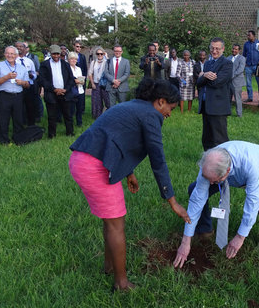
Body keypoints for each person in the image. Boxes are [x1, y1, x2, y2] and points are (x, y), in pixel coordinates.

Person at [69, 77, 190, 292]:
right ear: (160, 101)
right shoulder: (151, 115)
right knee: (117, 225)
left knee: (110, 221)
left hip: (84, 159)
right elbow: (158, 160)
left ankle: (109, 266)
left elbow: (119, 137)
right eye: (170, 108)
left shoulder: (133, 106)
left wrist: (128, 172)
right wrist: (172, 201)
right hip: (95, 166)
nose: (170, 113)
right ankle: (121, 283)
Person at [173, 141, 259, 267]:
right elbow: (197, 200)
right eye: (207, 179)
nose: (210, 183)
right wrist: (186, 240)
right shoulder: (209, 165)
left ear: (227, 172)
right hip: (223, 172)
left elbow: (253, 203)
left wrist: (240, 237)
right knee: (194, 189)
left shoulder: (252, 166)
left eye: (213, 181)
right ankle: (205, 229)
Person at [197, 38, 233, 151]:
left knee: (219, 139)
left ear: (223, 49)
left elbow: (217, 82)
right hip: (206, 106)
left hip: (218, 108)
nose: (214, 51)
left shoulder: (227, 64)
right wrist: (205, 75)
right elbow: (198, 83)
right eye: (212, 48)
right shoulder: (208, 63)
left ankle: (222, 164)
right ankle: (208, 162)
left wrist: (203, 75)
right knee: (207, 139)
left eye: (217, 48)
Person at [0, 46, 30, 144]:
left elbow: (28, 84)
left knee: (18, 119)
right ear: (4, 54)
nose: (10, 55)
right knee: (4, 119)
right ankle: (4, 140)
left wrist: (23, 83)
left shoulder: (21, 68)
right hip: (4, 95)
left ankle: (18, 139)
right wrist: (6, 77)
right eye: (8, 53)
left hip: (18, 95)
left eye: (12, 54)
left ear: (16, 55)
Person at [39, 45, 76, 138]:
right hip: (51, 93)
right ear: (50, 54)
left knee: (68, 115)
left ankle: (70, 132)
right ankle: (52, 135)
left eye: (57, 54)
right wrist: (54, 89)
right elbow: (43, 80)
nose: (56, 56)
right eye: (54, 54)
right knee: (52, 116)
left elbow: (71, 79)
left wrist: (65, 89)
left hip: (65, 93)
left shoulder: (65, 64)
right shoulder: (44, 65)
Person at [15, 42, 38, 126]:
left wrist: (32, 75)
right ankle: (20, 124)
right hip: (17, 86)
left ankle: (31, 124)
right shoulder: (13, 61)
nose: (19, 48)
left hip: (29, 86)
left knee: (30, 106)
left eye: (21, 47)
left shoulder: (29, 61)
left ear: (25, 49)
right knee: (19, 107)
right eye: (17, 47)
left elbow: (34, 73)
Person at [88, 47, 111, 119]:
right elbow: (90, 73)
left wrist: (106, 57)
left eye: (101, 53)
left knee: (107, 100)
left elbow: (110, 68)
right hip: (96, 83)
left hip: (104, 84)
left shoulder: (106, 62)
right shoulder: (93, 62)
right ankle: (97, 116)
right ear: (96, 54)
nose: (100, 55)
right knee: (96, 101)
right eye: (98, 54)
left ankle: (109, 115)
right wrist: (92, 83)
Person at [227, 44, 246, 117]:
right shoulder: (228, 58)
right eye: (233, 49)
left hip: (237, 82)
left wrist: (231, 76)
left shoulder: (242, 58)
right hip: (228, 82)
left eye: (236, 49)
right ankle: (228, 112)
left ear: (239, 50)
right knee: (228, 98)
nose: (234, 50)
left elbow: (240, 70)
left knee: (237, 99)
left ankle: (239, 114)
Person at [242, 30, 259, 102]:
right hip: (248, 66)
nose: (248, 36)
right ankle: (250, 97)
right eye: (247, 35)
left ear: (253, 35)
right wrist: (245, 64)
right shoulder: (246, 44)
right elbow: (244, 55)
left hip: (257, 66)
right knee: (248, 83)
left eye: (249, 35)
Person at [68, 52, 86, 127]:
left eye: (75, 59)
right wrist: (75, 81)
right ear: (69, 60)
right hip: (72, 90)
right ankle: (70, 122)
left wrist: (82, 81)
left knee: (79, 108)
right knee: (71, 108)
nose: (73, 60)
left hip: (80, 90)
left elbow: (81, 78)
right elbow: (69, 79)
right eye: (72, 59)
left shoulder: (78, 68)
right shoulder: (67, 68)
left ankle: (79, 122)